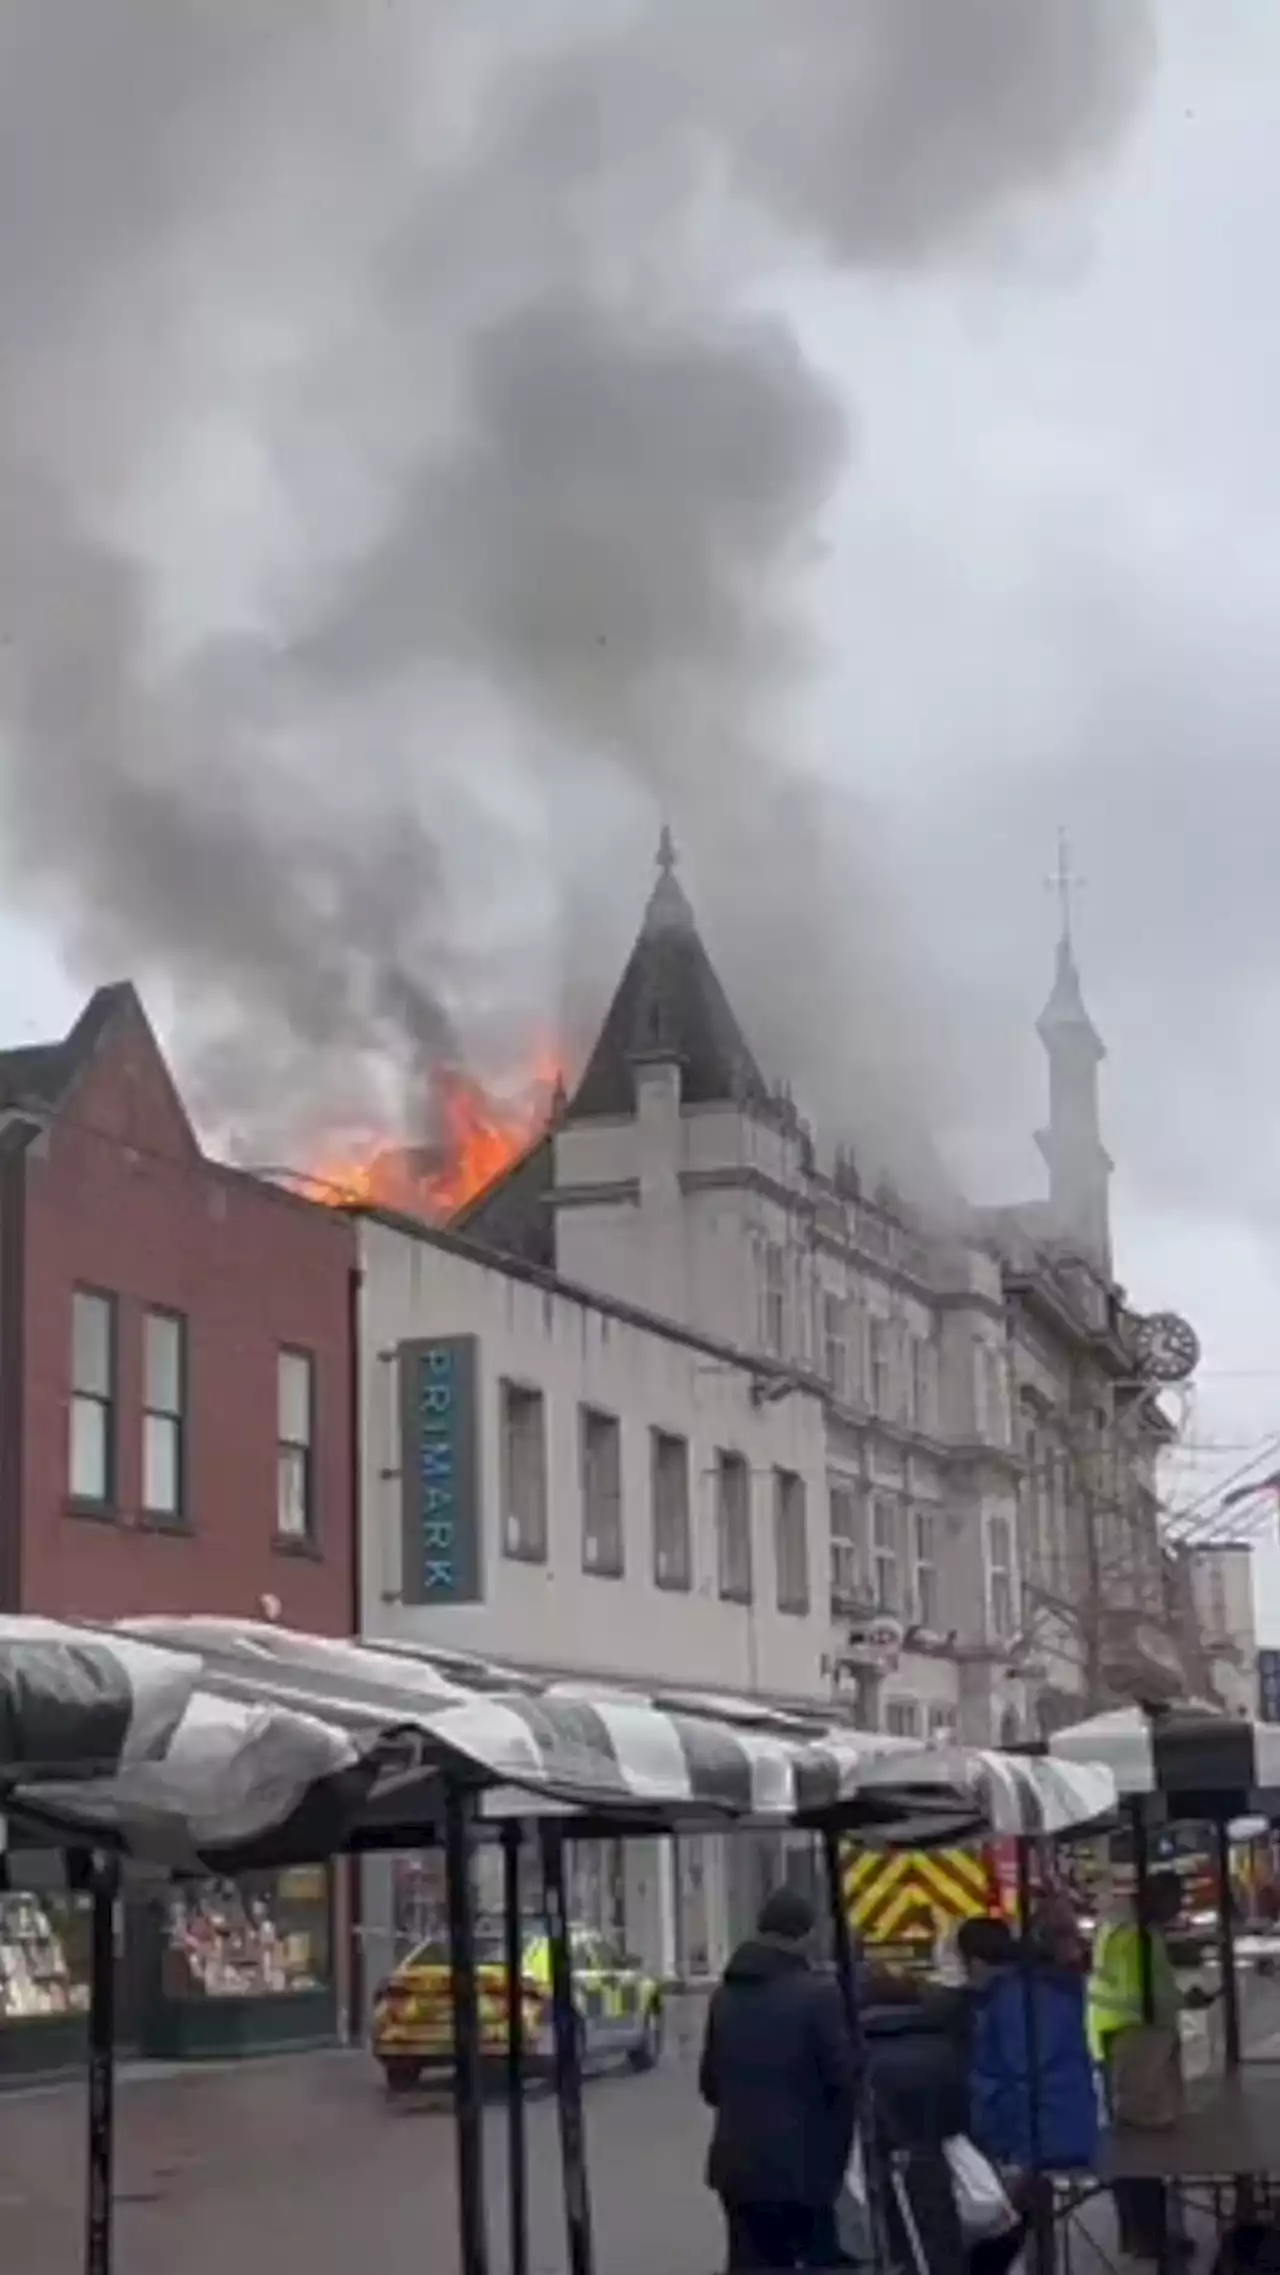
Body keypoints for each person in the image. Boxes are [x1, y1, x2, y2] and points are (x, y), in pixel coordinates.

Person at [699, 1887, 861, 2269]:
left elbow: (710, 2086)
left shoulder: (724, 1996)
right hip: (803, 2172)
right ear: (805, 1935)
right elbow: (842, 2082)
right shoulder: (820, 1995)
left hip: (737, 2169)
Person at [1087, 1870, 1213, 2263]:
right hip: (1135, 2041)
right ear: (1156, 1895)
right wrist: (1184, 2002)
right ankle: (1152, 2239)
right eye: (1176, 1900)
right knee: (1144, 2147)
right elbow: (1143, 1994)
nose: (1180, 1909)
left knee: (1136, 2146)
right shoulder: (1134, 1934)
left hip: (1127, 2039)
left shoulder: (1130, 1925)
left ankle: (1144, 2236)